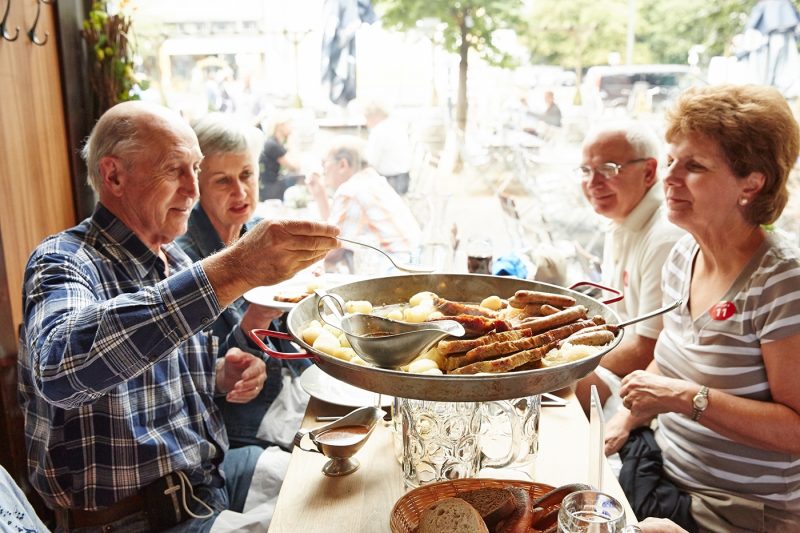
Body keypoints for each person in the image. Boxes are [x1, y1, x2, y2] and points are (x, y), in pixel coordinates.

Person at [18, 101, 339, 531]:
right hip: (138, 516)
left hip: (212, 477)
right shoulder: (64, 259)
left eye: (196, 168)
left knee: (345, 487)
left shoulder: (174, 260)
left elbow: (157, 379)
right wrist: (236, 267)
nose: (193, 190)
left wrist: (222, 374)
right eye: (175, 171)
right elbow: (61, 369)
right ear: (113, 176)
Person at [605, 85, 800, 532]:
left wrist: (681, 397)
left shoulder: (783, 282)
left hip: (738, 509)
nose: (670, 178)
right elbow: (670, 356)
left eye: (694, 166)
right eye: (672, 160)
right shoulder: (685, 254)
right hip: (662, 467)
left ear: (751, 183)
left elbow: (796, 430)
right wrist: (627, 417)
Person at [176, 112, 306, 450]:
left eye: (247, 174)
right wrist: (255, 324)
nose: (240, 191)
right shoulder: (182, 260)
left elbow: (291, 336)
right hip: (239, 426)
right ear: (197, 186)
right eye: (222, 181)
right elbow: (207, 372)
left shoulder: (261, 233)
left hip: (290, 392)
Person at [574, 121, 684, 418]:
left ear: (649, 172)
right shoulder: (623, 218)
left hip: (646, 383)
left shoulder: (665, 236)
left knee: (555, 388)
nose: (593, 182)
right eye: (585, 171)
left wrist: (565, 359)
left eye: (608, 169)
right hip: (621, 363)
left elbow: (645, 350)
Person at [306, 135, 421, 271]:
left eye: (324, 162)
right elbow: (335, 232)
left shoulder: (350, 190)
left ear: (343, 165)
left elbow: (331, 251)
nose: (323, 169)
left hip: (392, 270)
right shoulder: (372, 180)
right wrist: (320, 195)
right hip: (412, 263)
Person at [363, 101, 413, 195]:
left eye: (367, 118)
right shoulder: (397, 126)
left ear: (374, 116)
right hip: (404, 179)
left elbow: (372, 162)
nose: (366, 123)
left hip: (390, 182)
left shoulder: (378, 131)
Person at [258, 112, 302, 201]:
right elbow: (294, 167)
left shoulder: (273, 142)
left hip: (268, 186)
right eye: (289, 124)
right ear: (281, 125)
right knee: (299, 179)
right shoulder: (273, 145)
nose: (292, 128)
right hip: (269, 188)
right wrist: (292, 145)